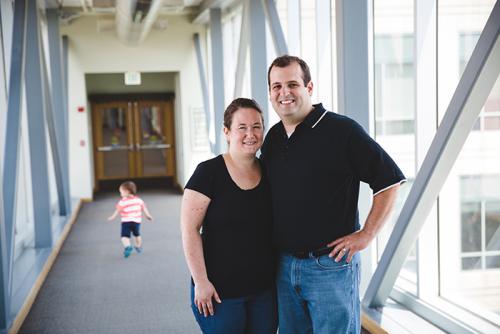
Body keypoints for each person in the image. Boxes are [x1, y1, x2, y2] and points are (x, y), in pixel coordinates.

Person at [261, 55, 406, 333]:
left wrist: (366, 234)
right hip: (283, 265)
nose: (284, 93)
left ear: (309, 87)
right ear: (270, 92)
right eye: (276, 86)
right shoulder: (274, 137)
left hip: (329, 267)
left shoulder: (341, 130)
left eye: (292, 84)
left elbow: (389, 181)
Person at [180, 98, 278, 334]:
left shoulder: (270, 171)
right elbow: (189, 230)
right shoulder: (208, 172)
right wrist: (201, 282)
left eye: (256, 126)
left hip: (264, 290)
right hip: (219, 292)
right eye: (241, 127)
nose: (250, 134)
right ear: (226, 131)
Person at [108, 181, 153, 258]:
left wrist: (113, 216)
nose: (120, 194)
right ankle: (138, 246)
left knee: (124, 236)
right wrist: (148, 216)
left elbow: (118, 210)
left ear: (126, 191)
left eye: (121, 192)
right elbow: (144, 208)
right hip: (136, 222)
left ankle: (128, 246)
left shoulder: (122, 202)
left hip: (126, 222)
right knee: (137, 235)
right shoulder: (139, 200)